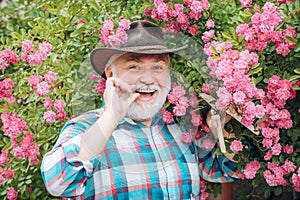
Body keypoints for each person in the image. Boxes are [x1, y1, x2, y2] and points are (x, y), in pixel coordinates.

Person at [41, 20, 239, 200]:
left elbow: (225, 170)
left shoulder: (180, 127)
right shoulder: (86, 128)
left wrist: (220, 130)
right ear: (111, 73)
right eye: (134, 66)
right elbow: (58, 182)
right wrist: (112, 116)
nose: (147, 79)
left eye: (158, 67)